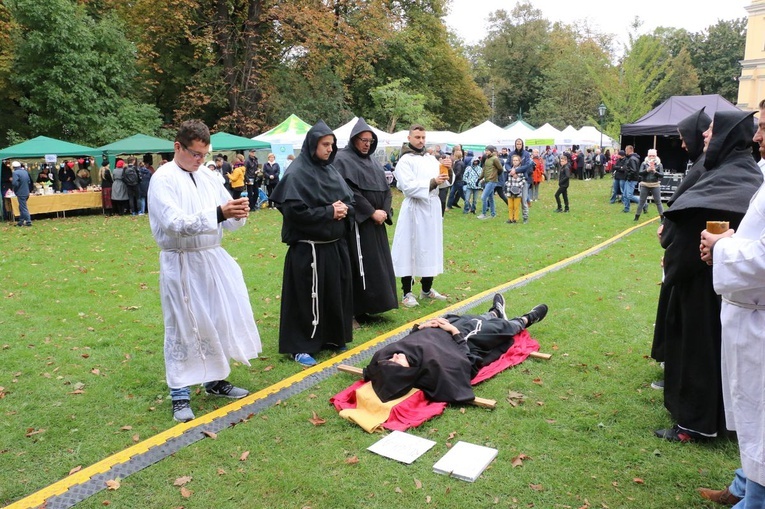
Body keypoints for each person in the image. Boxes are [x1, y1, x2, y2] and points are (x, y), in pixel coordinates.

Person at [655, 109, 763, 443]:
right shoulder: (741, 172)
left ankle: (696, 424)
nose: (706, 135)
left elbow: (695, 219)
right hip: (730, 284)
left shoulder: (739, 173)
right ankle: (719, 422)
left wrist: (679, 257)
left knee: (702, 353)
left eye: (714, 130)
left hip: (709, 284)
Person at [148, 119, 261, 423]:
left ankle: (215, 379)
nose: (200, 160)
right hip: (181, 260)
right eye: (195, 154)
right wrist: (219, 213)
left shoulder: (209, 177)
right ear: (178, 147)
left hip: (211, 258)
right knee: (184, 323)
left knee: (217, 318)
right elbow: (175, 223)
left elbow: (228, 214)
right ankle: (180, 393)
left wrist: (237, 211)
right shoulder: (163, 179)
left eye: (204, 155)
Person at [696, 101, 765, 508]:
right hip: (747, 314)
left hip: (758, 316)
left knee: (762, 415)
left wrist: (724, 247)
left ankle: (752, 498)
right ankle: (746, 484)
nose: (758, 136)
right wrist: (734, 240)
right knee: (753, 415)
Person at [270, 120, 355, 367]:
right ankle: (300, 346)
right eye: (325, 144)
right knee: (306, 299)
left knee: (333, 295)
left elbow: (351, 202)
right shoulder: (297, 173)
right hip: (308, 251)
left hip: (333, 247)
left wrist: (343, 209)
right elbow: (294, 211)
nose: (329, 149)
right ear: (312, 145)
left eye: (332, 145)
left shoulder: (331, 171)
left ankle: (331, 337)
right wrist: (329, 212)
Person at [363, 294, 548, 403]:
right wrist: (454, 332)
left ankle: (494, 312)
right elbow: (466, 365)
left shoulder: (389, 355)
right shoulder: (435, 368)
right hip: (461, 339)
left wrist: (421, 327)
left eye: (391, 359)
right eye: (397, 362)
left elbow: (408, 340)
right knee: (492, 328)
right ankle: (526, 319)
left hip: (440, 328)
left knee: (465, 318)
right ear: (406, 372)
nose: (394, 355)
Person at [649, 108, 712, 390]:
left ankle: (676, 370)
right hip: (683, 251)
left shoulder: (705, 167)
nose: (683, 144)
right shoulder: (701, 164)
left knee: (682, 319)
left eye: (685, 138)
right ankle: (672, 364)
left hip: (691, 257)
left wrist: (671, 232)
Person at [333, 117, 398, 320]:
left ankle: (373, 306)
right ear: (354, 139)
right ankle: (355, 310)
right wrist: (371, 212)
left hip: (376, 225)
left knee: (376, 266)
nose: (367, 144)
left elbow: (387, 190)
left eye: (370, 140)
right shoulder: (342, 159)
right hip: (357, 225)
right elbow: (349, 191)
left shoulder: (374, 162)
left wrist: (384, 212)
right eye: (363, 140)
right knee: (358, 266)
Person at [391, 124, 451, 308]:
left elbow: (444, 181)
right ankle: (407, 292)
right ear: (409, 138)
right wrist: (432, 182)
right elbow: (408, 186)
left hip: (431, 209)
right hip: (415, 209)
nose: (421, 140)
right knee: (410, 248)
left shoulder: (431, 159)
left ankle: (426, 289)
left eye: (423, 137)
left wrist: (448, 169)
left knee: (430, 247)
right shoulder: (405, 161)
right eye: (417, 137)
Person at [634, 149, 665, 221]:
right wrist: (647, 170)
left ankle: (662, 217)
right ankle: (636, 217)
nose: (651, 157)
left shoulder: (659, 164)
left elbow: (662, 175)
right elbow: (640, 173)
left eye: (653, 155)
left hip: (655, 184)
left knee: (658, 202)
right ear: (648, 155)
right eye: (650, 155)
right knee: (641, 202)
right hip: (645, 184)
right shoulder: (644, 163)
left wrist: (655, 171)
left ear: (656, 155)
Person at [478, 145, 502, 219]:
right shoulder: (487, 159)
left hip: (492, 181)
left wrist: (495, 175)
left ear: (491, 151)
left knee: (483, 197)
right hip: (487, 181)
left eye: (487, 150)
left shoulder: (495, 159)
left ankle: (484, 214)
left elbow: (500, 168)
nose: (486, 152)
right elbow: (484, 170)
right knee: (491, 198)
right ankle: (493, 214)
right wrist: (479, 178)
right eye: (485, 150)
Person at [505, 154, 526, 224]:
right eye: (514, 160)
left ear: (519, 161)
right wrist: (508, 185)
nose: (515, 161)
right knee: (510, 206)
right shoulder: (510, 169)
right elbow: (506, 179)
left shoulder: (521, 170)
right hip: (509, 190)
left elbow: (523, 180)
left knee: (516, 206)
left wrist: (518, 186)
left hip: (518, 191)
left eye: (516, 160)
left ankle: (515, 219)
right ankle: (510, 218)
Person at [11, 161, 32, 227]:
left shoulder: (15, 173)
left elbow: (14, 183)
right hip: (26, 192)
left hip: (20, 192)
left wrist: (16, 184)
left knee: (23, 208)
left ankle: (28, 221)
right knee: (21, 207)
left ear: (14, 167)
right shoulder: (25, 172)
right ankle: (21, 221)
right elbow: (29, 181)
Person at [621, 145, 641, 213]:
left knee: (629, 195)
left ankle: (644, 204)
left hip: (631, 179)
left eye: (626, 150)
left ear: (629, 150)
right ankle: (626, 209)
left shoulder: (632, 159)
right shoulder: (631, 158)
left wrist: (628, 177)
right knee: (625, 195)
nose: (625, 152)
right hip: (629, 179)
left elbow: (633, 170)